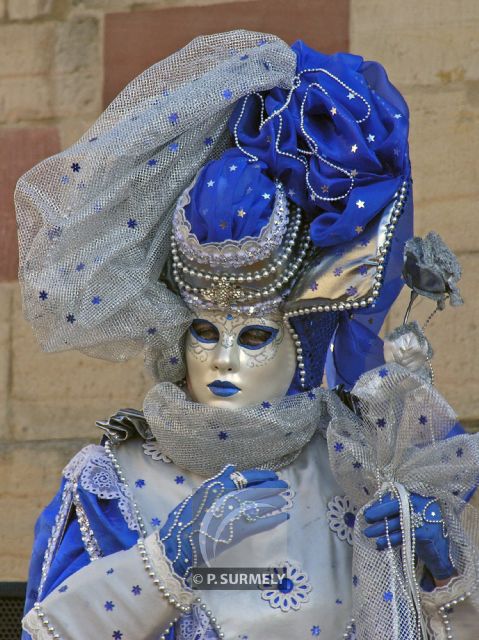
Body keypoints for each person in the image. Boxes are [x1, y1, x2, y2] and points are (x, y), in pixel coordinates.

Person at [15, 31, 479, 640]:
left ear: (303, 342)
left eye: (256, 335)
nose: (223, 359)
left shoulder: (364, 471)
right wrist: (161, 566)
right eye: (205, 331)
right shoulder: (113, 483)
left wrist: (440, 575)